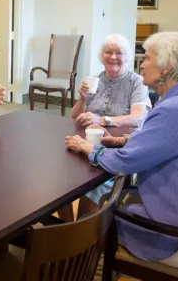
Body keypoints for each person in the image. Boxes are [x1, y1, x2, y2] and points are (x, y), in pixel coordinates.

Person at [64, 31, 178, 274]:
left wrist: (89, 148)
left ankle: (88, 269)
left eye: (147, 58)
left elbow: (126, 162)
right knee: (116, 198)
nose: (142, 63)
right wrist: (122, 140)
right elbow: (159, 140)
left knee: (106, 211)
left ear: (167, 67)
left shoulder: (175, 107)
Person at [57, 34, 150, 222]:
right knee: (60, 177)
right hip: (87, 142)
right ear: (102, 55)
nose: (113, 57)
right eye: (108, 52)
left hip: (117, 147)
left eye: (119, 53)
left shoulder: (136, 82)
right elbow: (74, 117)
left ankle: (85, 237)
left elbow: (138, 118)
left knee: (93, 186)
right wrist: (83, 97)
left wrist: (102, 119)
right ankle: (66, 228)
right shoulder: (95, 80)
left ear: (127, 56)